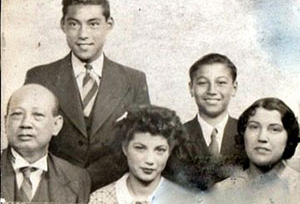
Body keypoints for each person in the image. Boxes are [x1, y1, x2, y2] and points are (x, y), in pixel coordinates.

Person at [24, 0, 150, 191]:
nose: (83, 34)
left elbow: (143, 144)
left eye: (93, 24)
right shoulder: (40, 77)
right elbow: (29, 141)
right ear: (63, 25)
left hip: (115, 189)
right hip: (55, 188)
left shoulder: (134, 80)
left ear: (109, 25)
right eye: (74, 24)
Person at [89, 105, 202, 204]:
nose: (149, 160)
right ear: (125, 148)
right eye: (140, 148)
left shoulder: (184, 201)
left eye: (160, 150)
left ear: (170, 151)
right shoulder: (99, 200)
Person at [165, 53, 243, 190]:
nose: (212, 91)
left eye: (221, 83)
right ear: (191, 88)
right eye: (202, 83)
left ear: (234, 88)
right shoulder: (174, 138)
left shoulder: (247, 135)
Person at [1, 84, 91, 203]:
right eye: (17, 114)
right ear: (5, 122)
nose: (26, 123)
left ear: (56, 125)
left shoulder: (77, 178)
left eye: (37, 115)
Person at [212, 97, 300, 204]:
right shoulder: (221, 192)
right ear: (243, 134)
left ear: (289, 138)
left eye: (274, 129)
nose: (262, 137)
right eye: (254, 127)